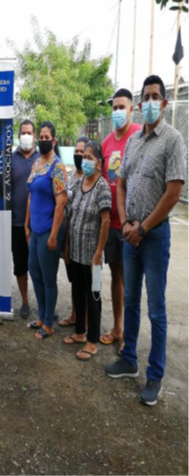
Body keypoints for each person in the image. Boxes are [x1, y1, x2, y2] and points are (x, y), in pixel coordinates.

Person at [106, 75, 186, 406]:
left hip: (154, 237)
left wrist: (143, 228)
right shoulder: (134, 141)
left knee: (156, 308)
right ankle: (129, 359)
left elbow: (173, 192)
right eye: (147, 97)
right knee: (131, 301)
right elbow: (122, 183)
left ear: (164, 103)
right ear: (141, 104)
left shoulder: (173, 140)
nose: (151, 101)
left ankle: (155, 376)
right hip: (130, 234)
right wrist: (126, 222)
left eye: (156, 96)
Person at [100, 89, 142, 348]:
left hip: (132, 224)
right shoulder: (106, 143)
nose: (117, 111)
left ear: (131, 109)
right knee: (116, 275)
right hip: (112, 223)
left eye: (121, 107)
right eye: (114, 107)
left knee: (131, 280)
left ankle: (130, 337)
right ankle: (118, 328)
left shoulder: (139, 135)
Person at [63, 141, 111, 360]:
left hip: (93, 256)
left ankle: (92, 342)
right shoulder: (79, 183)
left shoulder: (102, 187)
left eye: (90, 158)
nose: (86, 161)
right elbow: (70, 211)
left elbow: (106, 222)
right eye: (84, 157)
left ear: (99, 163)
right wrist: (67, 245)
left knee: (93, 297)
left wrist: (98, 254)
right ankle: (80, 333)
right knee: (78, 292)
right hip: (76, 252)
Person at [25, 121, 67, 338]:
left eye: (46, 138)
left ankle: (49, 323)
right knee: (34, 272)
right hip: (35, 230)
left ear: (54, 140)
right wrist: (27, 225)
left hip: (49, 231)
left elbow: (61, 203)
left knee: (48, 277)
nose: (43, 140)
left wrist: (53, 236)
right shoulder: (36, 163)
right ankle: (41, 316)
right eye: (40, 137)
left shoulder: (57, 167)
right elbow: (31, 195)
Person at [58, 136, 89, 328]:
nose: (78, 155)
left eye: (82, 152)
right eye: (76, 151)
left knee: (87, 281)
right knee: (74, 279)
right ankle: (74, 314)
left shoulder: (92, 179)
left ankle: (85, 320)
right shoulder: (68, 176)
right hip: (69, 235)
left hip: (87, 238)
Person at [11, 119, 39, 319]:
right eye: (23, 133)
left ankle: (45, 303)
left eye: (29, 133)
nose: (26, 136)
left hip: (38, 224)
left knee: (40, 266)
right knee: (20, 265)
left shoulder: (42, 159)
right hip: (16, 222)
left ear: (34, 136)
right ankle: (25, 301)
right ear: (19, 135)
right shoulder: (11, 159)